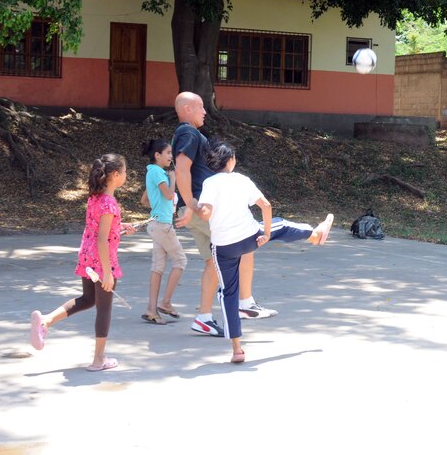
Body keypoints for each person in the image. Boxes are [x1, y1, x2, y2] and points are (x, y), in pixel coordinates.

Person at [189, 140, 333, 363]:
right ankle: (315, 235)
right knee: (280, 225)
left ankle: (237, 349)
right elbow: (266, 205)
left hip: (223, 247)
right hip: (249, 238)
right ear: (231, 161)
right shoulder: (241, 180)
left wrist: (194, 205)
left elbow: (205, 214)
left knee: (228, 293)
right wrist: (265, 234)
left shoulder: (209, 183)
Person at [172, 92, 276, 337]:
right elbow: (182, 168)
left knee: (213, 261)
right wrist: (190, 204)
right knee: (246, 243)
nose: (205, 111)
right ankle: (245, 303)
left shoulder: (186, 134)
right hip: (203, 208)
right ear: (187, 109)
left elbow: (182, 170)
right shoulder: (188, 132)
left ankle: (204, 318)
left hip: (198, 208)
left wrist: (188, 206)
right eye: (200, 107)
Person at [29, 154, 137, 371]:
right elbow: (102, 239)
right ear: (115, 175)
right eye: (124, 172)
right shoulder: (110, 203)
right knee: (104, 308)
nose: (126, 175)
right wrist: (107, 272)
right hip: (102, 261)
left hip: (87, 257)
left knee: (88, 299)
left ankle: (46, 321)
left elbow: (100, 229)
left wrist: (120, 226)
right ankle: (99, 359)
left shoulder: (95, 198)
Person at [139, 138, 187, 325]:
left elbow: (145, 200)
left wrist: (159, 205)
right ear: (157, 155)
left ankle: (152, 309)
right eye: (167, 153)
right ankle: (165, 303)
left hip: (155, 224)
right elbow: (168, 194)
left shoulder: (152, 172)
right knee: (181, 260)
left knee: (157, 267)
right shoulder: (159, 172)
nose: (171, 156)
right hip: (163, 226)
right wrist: (173, 179)